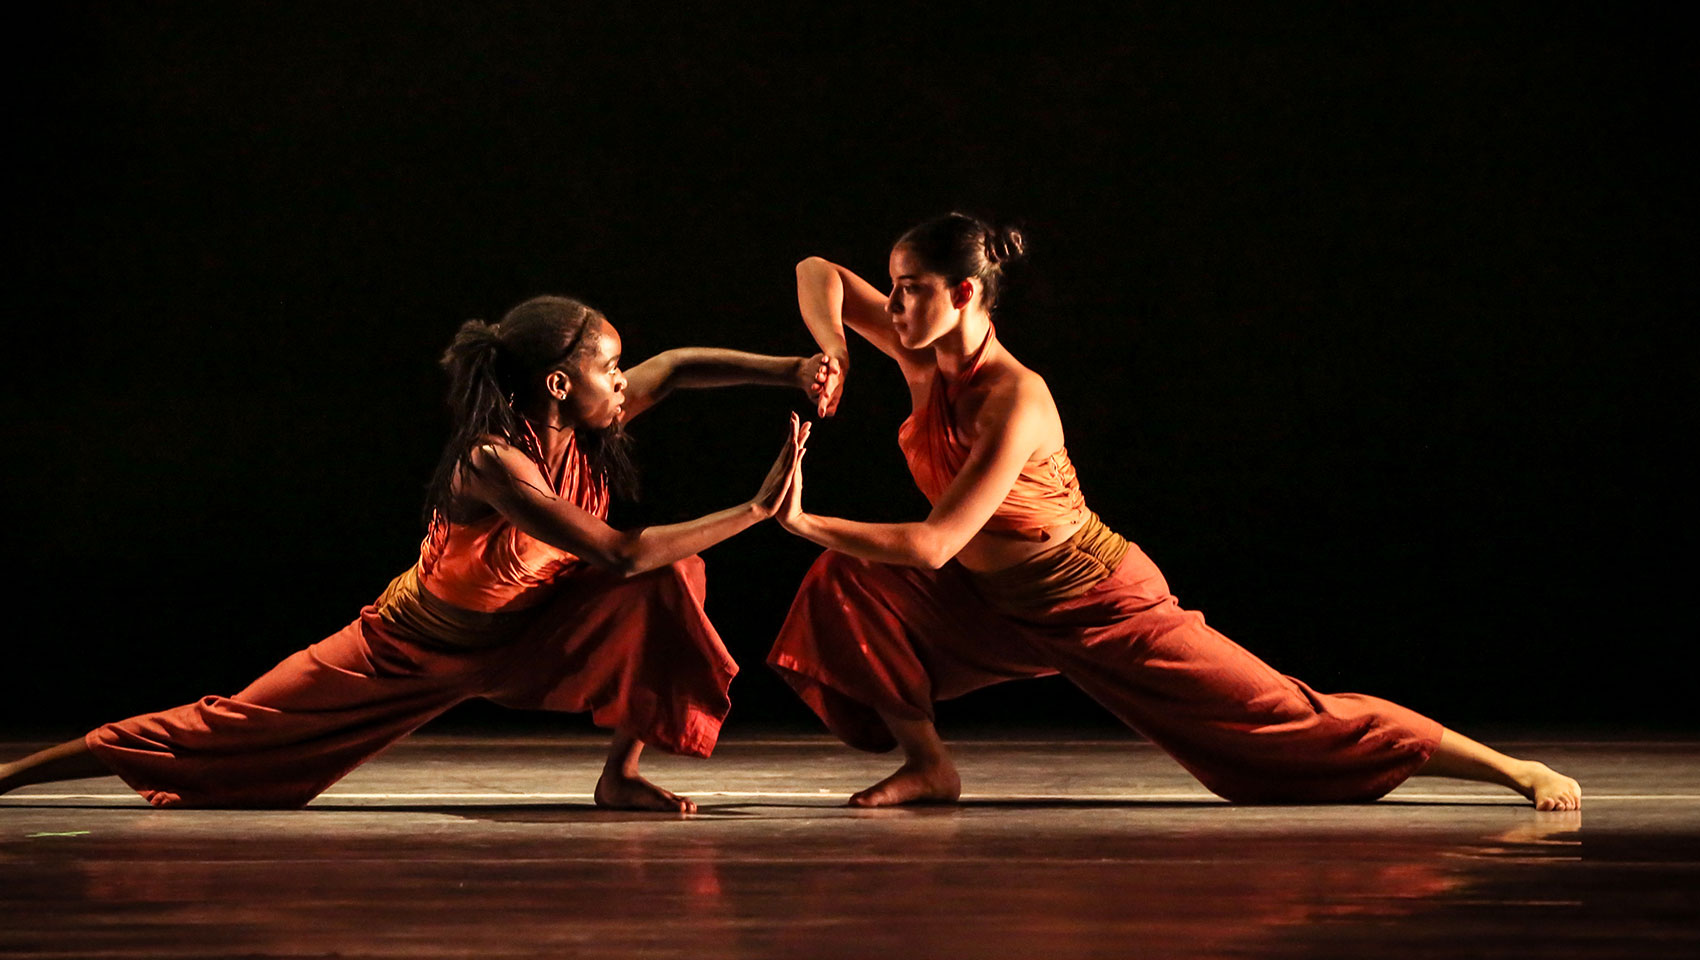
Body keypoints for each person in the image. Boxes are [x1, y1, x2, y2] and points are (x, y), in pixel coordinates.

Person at [766, 213, 1581, 811]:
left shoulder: (1014, 399)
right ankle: (930, 767)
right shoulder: (918, 356)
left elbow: (938, 542)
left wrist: (802, 518)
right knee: (847, 581)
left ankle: (1514, 771)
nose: (896, 307)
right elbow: (818, 272)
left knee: (1279, 727)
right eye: (896, 290)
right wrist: (833, 353)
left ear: (965, 293)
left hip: (1095, 598)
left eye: (911, 292)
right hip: (997, 607)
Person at [0, 294, 815, 812]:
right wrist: (754, 509)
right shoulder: (495, 462)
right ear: (560, 383)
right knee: (220, 733)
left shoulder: (586, 422)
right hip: (405, 650)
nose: (625, 382)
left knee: (677, 577)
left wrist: (793, 371)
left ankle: (618, 776)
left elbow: (672, 371)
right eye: (608, 368)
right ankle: (8, 778)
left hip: (527, 636)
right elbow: (618, 551)